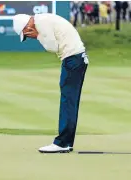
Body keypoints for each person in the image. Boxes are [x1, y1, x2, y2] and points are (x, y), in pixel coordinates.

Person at [12, 13, 88, 153]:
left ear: (27, 26)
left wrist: (38, 35)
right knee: (70, 101)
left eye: (27, 34)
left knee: (67, 101)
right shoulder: (43, 19)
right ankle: (66, 142)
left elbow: (52, 47)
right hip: (75, 59)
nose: (29, 36)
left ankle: (62, 142)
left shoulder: (41, 23)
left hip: (73, 59)